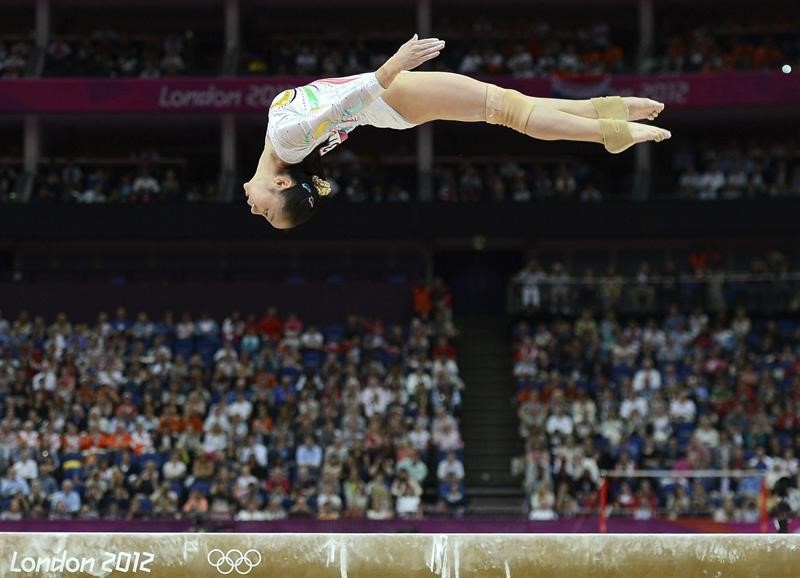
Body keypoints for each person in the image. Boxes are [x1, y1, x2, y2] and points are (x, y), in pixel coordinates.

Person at [244, 34, 670, 229]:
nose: (253, 210)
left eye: (264, 213)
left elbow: (341, 110)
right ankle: (612, 134)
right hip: (393, 97)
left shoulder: (289, 148)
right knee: (509, 111)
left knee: (512, 104)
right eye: (265, 211)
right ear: (282, 182)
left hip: (391, 104)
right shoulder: (287, 144)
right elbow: (343, 104)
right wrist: (392, 66)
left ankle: (611, 111)